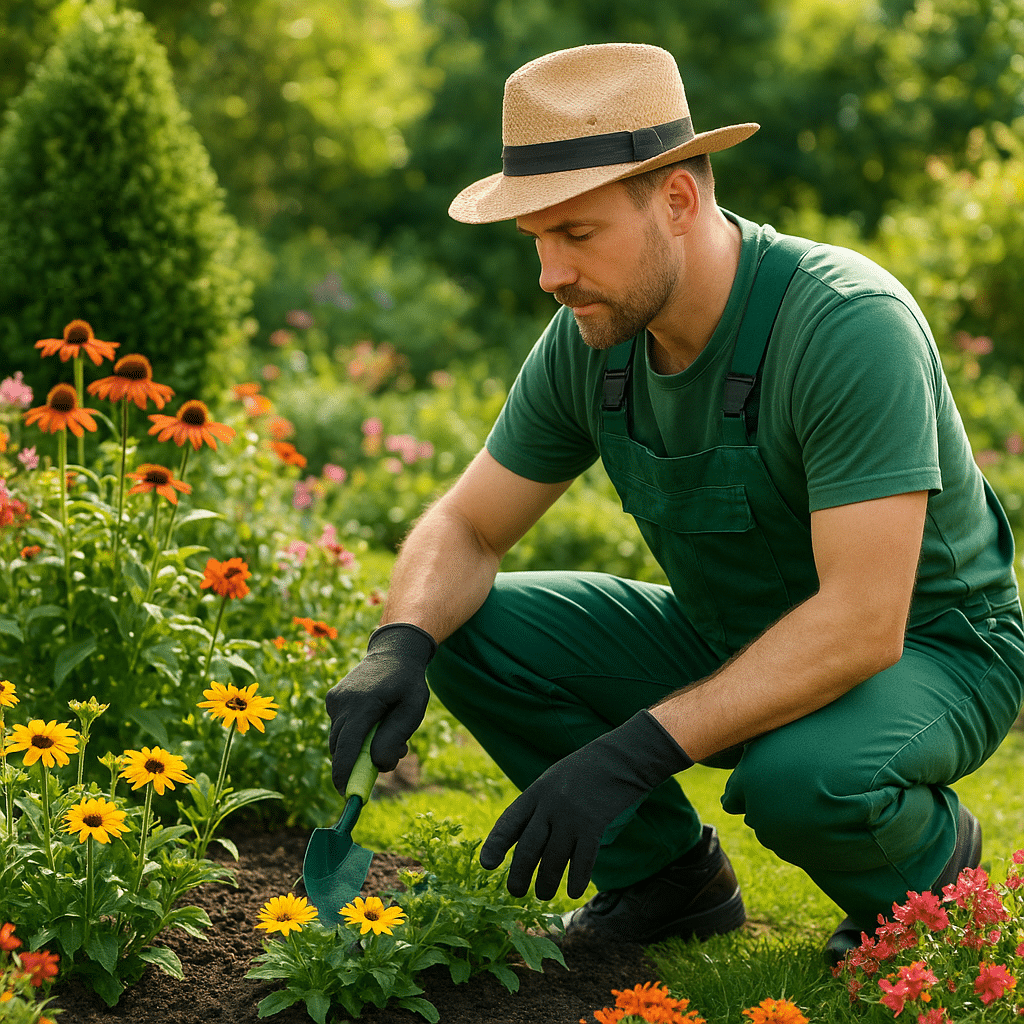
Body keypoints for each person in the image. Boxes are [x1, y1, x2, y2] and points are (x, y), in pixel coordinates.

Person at [326, 42, 1024, 962]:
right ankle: (667, 881)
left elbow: (863, 621)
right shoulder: (593, 335)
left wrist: (633, 753)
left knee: (799, 780)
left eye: (577, 234)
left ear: (680, 201)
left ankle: (927, 879)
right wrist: (399, 643)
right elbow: (467, 524)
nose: (550, 274)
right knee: (465, 627)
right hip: (728, 631)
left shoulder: (846, 324)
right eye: (537, 239)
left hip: (930, 648)